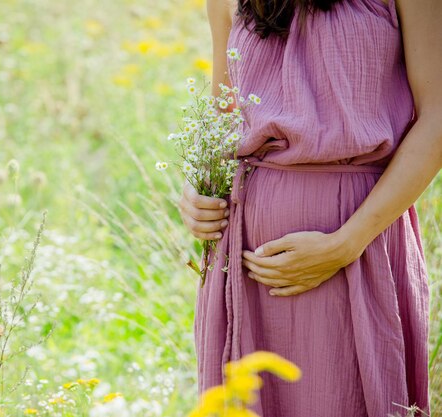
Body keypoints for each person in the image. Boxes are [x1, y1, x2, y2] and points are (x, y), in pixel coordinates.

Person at [177, 0, 441, 415]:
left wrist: (345, 243)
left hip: (357, 241)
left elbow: (438, 116)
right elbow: (224, 114)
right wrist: (198, 190)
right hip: (244, 256)